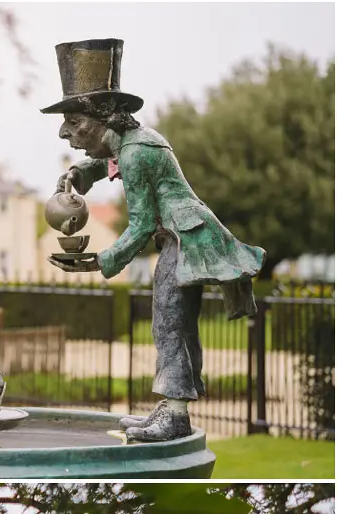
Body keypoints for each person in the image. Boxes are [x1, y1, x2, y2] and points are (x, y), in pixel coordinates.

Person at [43, 38, 264, 442]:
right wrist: (81, 173)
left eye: (75, 123)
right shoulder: (130, 142)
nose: (65, 133)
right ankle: (171, 407)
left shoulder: (136, 152)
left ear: (104, 118)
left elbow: (142, 225)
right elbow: (104, 162)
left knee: (169, 322)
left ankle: (175, 415)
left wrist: (101, 261)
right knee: (172, 324)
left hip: (186, 240)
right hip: (182, 238)